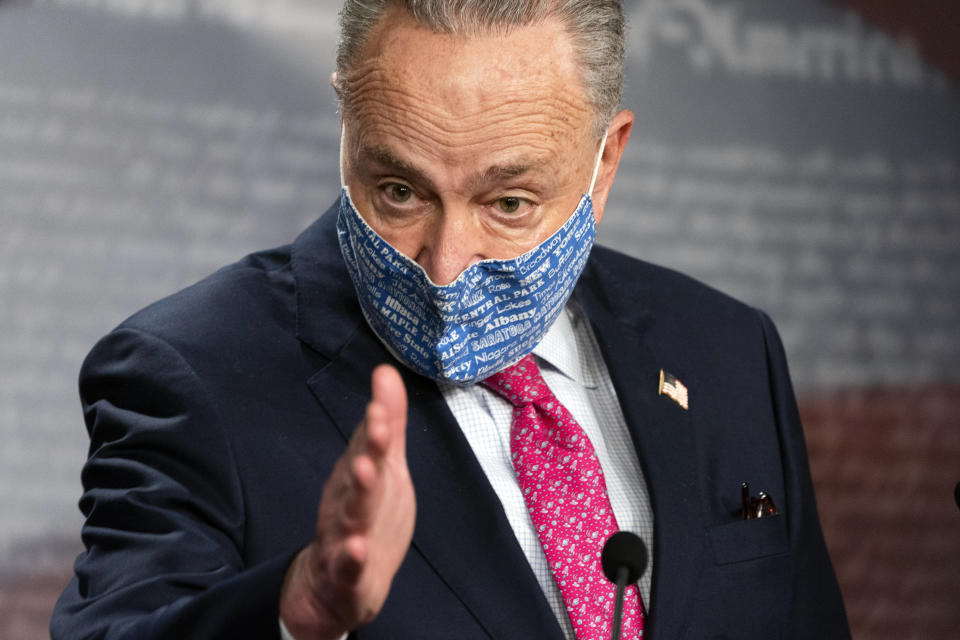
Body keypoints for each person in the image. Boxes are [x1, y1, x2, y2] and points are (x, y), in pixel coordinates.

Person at [51, 1, 850, 638]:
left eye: (508, 203)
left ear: (606, 160)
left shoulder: (730, 351)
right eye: (399, 192)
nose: (444, 265)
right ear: (346, 120)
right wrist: (300, 614)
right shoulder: (189, 374)